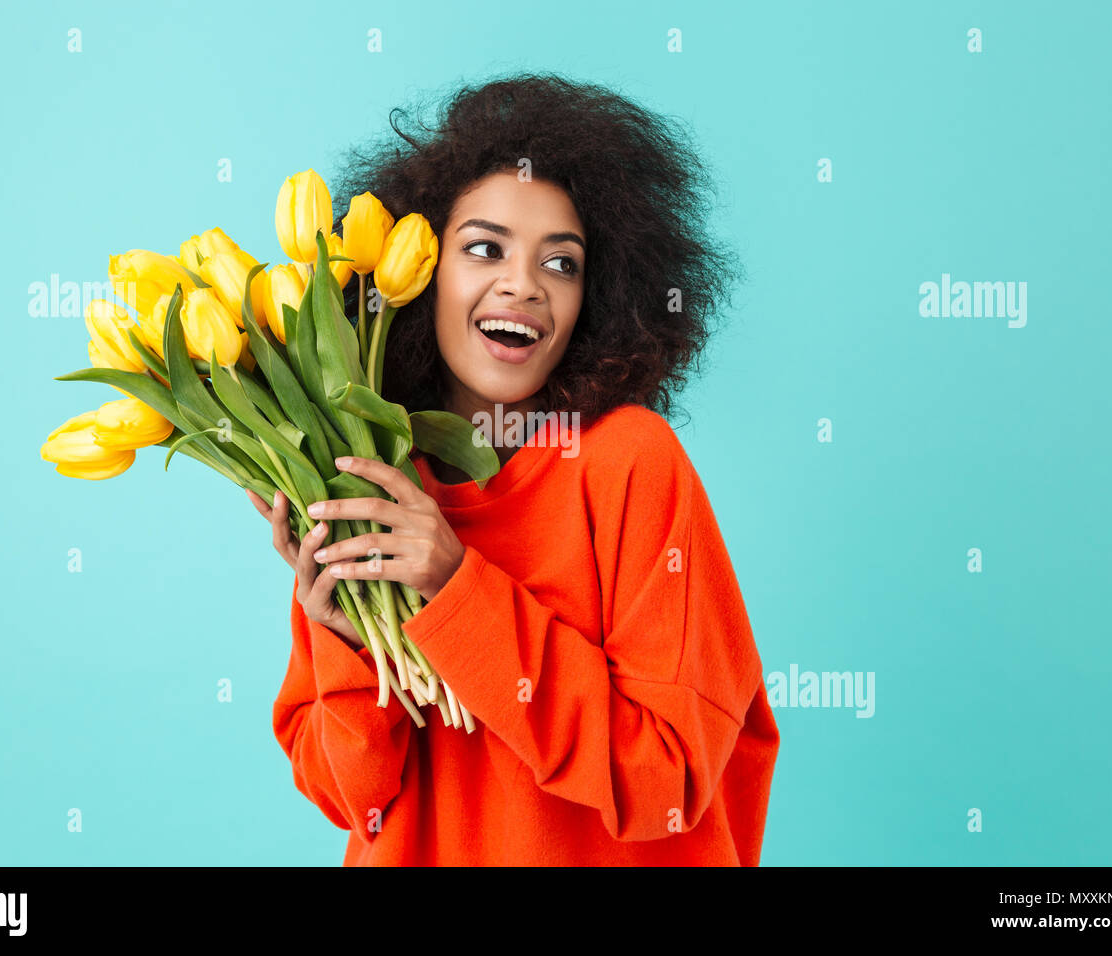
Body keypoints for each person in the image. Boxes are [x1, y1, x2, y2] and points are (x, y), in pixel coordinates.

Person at [246, 72, 779, 865]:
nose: (522, 284)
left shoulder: (631, 462)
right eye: (485, 248)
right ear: (422, 275)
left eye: (561, 264)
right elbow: (346, 794)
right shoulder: (368, 480)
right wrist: (345, 639)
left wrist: (457, 586)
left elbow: (668, 781)